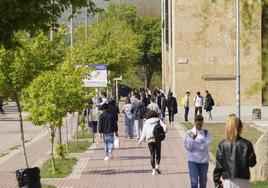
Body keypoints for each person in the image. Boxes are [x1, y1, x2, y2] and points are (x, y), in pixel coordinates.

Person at [213, 114, 257, 188]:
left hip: (229, 181)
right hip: (244, 180)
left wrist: (217, 181)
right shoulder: (247, 144)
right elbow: (252, 163)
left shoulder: (222, 145)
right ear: (240, 128)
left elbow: (219, 166)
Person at [184, 115, 211, 188]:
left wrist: (197, 146)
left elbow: (206, 146)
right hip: (193, 161)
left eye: (200, 124)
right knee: (194, 182)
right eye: (197, 124)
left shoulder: (206, 133)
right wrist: (192, 140)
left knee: (203, 183)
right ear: (194, 122)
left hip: (204, 161)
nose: (199, 126)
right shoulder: (189, 133)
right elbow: (188, 148)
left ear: (203, 123)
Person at [139, 110, 167, 175]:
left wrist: (141, 140)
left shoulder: (146, 122)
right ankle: (157, 165)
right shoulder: (158, 120)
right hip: (157, 139)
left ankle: (153, 170)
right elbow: (165, 127)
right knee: (158, 153)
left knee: (152, 154)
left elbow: (143, 132)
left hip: (150, 139)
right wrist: (162, 133)